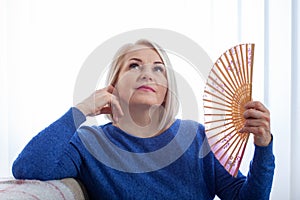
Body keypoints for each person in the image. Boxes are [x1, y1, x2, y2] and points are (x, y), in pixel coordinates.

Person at [12, 39, 275, 199]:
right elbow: (29, 168)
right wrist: (81, 110)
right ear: (113, 84)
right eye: (134, 65)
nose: (147, 73)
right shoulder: (89, 142)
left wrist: (263, 147)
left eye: (158, 68)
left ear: (166, 90)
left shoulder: (196, 137)